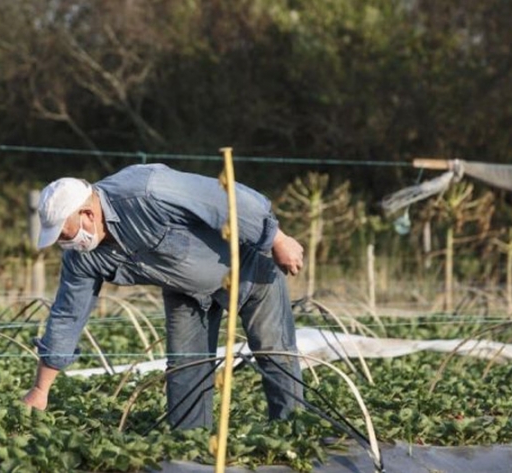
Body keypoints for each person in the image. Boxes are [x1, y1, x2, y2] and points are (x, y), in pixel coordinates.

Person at [22, 163, 304, 430]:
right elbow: (68, 316)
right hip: (187, 292)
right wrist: (40, 389)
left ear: (87, 214)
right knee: (185, 369)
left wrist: (278, 239)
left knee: (273, 351)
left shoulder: (146, 191)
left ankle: (292, 436)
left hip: (248, 268)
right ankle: (190, 450)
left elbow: (226, 199)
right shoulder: (82, 257)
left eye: (65, 233)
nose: (65, 242)